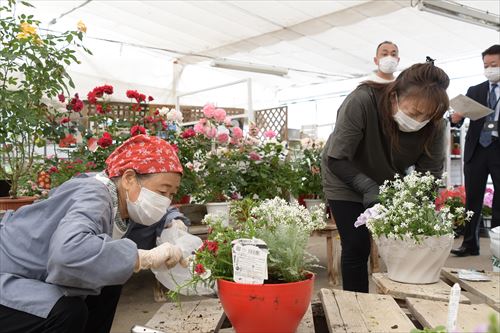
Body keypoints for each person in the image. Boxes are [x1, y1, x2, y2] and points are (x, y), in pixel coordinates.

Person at [0, 134, 189, 333]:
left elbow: (160, 209)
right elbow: (68, 253)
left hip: (32, 274)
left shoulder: (121, 195)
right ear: (129, 178)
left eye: (172, 194)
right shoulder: (94, 196)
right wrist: (142, 258)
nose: (166, 201)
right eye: (162, 192)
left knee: (110, 278)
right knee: (66, 311)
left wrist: (173, 222)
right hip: (9, 275)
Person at [321, 62, 450, 293]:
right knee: (357, 245)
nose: (419, 121)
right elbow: (337, 158)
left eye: (427, 116)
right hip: (345, 174)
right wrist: (368, 187)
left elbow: (428, 176)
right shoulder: (361, 101)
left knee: (405, 243)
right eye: (414, 113)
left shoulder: (435, 125)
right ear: (394, 97)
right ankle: (356, 306)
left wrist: (416, 213)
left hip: (388, 180)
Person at [450, 44, 500, 257]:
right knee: (472, 199)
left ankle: (498, 246)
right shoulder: (475, 90)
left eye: (494, 65)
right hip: (477, 149)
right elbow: (458, 123)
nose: (489, 69)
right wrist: (456, 117)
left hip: (498, 148)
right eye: (486, 65)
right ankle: (470, 244)